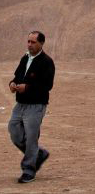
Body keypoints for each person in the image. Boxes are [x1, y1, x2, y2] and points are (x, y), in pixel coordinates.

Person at [7, 30, 55, 185]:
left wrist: (27, 88)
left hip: (36, 106)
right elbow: (17, 77)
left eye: (33, 42)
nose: (29, 45)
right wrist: (12, 84)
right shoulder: (25, 58)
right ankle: (39, 155)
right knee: (14, 131)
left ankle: (29, 170)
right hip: (20, 105)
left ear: (41, 43)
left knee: (31, 139)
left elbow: (47, 86)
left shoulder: (47, 62)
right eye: (28, 41)